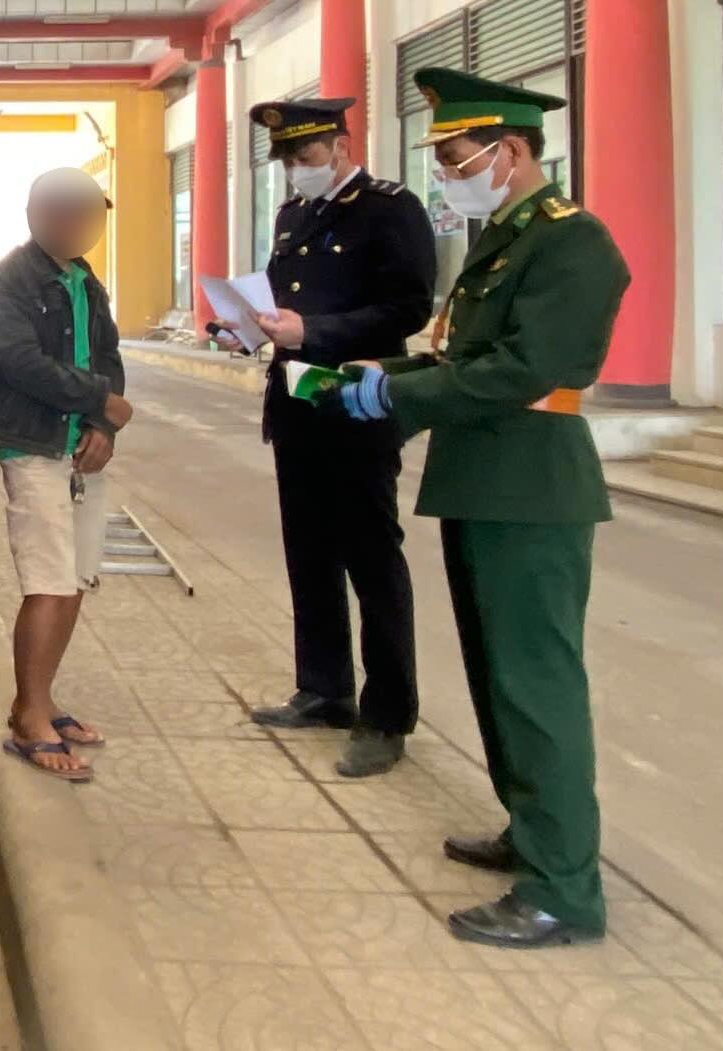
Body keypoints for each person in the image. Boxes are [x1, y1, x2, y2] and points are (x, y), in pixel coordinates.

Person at [324, 68, 630, 948]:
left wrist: (400, 400)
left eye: (457, 158)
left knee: (536, 688)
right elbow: (467, 357)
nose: (446, 175)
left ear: (514, 151)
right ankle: (532, 834)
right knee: (501, 680)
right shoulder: (506, 240)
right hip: (486, 481)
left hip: (532, 487)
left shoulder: (573, 244)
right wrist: (377, 375)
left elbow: (525, 373)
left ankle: (564, 890)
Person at [213, 97, 435, 778]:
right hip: (299, 404)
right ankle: (325, 688)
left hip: (356, 402)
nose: (294, 171)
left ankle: (387, 713)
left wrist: (313, 333)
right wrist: (247, 329)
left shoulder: (389, 207)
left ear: (339, 146)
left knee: (371, 557)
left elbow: (409, 305)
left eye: (304, 157)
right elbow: (285, 301)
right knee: (309, 551)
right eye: (285, 161)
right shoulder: (294, 215)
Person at [0, 167, 132, 781]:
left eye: (91, 215)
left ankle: (40, 701)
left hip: (80, 449)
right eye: (68, 214)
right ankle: (26, 720)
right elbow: (20, 363)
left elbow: (109, 354)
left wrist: (105, 426)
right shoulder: (11, 281)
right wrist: (100, 398)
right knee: (47, 580)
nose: (81, 228)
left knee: (72, 580)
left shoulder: (83, 280)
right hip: (34, 446)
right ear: (39, 215)